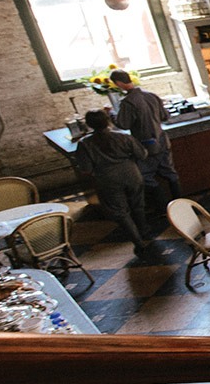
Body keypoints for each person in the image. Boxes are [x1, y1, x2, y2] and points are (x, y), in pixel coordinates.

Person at [73, 109, 154, 255]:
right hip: (130, 173)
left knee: (120, 211)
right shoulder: (123, 137)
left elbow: (85, 168)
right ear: (108, 121)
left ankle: (137, 241)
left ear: (89, 125)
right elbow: (142, 154)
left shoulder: (85, 144)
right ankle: (144, 230)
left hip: (107, 178)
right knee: (138, 204)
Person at [109, 70, 182, 214]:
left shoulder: (128, 102)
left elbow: (123, 124)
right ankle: (180, 204)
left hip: (146, 145)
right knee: (170, 173)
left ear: (118, 84)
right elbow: (165, 115)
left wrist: (111, 114)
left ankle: (164, 208)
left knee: (145, 176)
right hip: (162, 140)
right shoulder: (151, 95)